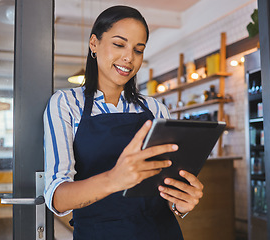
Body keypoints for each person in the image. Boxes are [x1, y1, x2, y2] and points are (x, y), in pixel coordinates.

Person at [44, 5, 203, 240]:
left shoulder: (155, 108)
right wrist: (113, 179)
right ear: (94, 44)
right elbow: (57, 197)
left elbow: (168, 186)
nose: (129, 58)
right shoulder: (66, 104)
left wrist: (181, 203)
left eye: (138, 50)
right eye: (119, 44)